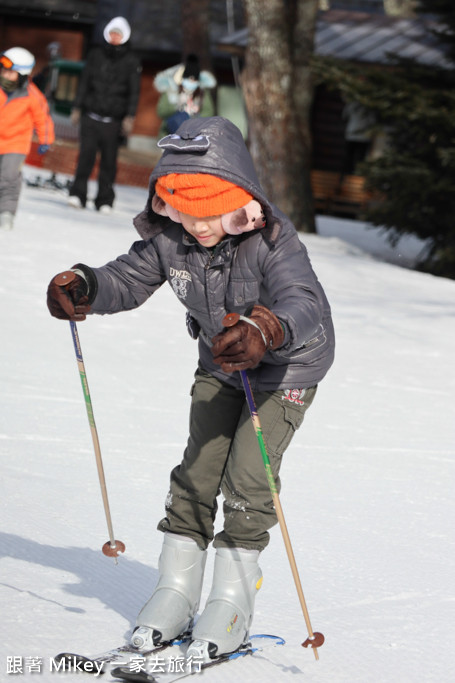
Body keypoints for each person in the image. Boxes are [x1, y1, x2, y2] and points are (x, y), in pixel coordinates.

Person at [47, 116, 335, 661]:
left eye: (210, 213)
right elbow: (127, 278)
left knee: (249, 477)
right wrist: (86, 284)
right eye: (183, 211)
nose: (198, 226)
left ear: (238, 199)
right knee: (197, 473)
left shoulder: (273, 240)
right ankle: (176, 592)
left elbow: (305, 301)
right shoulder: (171, 240)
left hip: (283, 369)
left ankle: (229, 603)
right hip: (222, 362)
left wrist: (264, 328)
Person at [67, 16, 141, 214]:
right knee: (85, 158)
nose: (114, 37)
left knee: (109, 162)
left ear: (124, 36)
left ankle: (104, 200)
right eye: (112, 33)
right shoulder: (95, 54)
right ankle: (78, 194)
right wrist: (77, 107)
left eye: (118, 34)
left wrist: (129, 116)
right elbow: (84, 83)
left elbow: (134, 91)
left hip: (113, 121)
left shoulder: (131, 60)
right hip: (91, 116)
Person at [0, 47, 55, 230]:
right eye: (4, 71)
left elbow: (43, 119)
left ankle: (6, 214)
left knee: (8, 177)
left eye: (11, 73)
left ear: (22, 75)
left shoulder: (33, 96)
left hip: (16, 143)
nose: (6, 76)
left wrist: (45, 139)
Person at [154, 54, 216, 138]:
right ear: (183, 78)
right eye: (189, 79)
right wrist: (176, 106)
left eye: (194, 80)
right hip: (170, 134)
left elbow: (209, 112)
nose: (191, 82)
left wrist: (195, 119)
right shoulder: (171, 91)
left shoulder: (203, 94)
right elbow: (161, 112)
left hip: (194, 135)